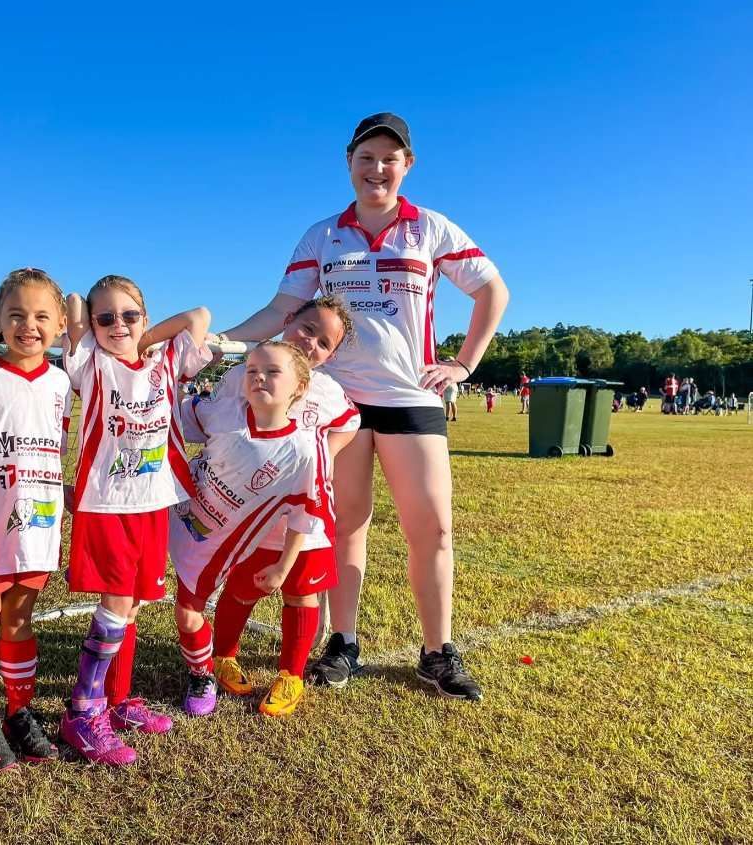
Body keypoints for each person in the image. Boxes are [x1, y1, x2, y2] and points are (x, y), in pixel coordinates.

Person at [218, 112, 508, 700]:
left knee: (433, 527)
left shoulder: (429, 227)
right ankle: (342, 643)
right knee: (346, 524)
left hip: (409, 397)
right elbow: (282, 311)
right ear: (349, 163)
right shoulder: (322, 235)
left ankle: (437, 652)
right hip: (335, 398)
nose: (377, 169)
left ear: (407, 165)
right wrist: (221, 343)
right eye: (366, 157)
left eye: (389, 158)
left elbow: (491, 290)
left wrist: (463, 364)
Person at [178, 300, 359, 718]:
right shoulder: (239, 377)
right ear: (287, 321)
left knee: (302, 593)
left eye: (324, 342)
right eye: (306, 327)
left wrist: (323, 456)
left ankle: (291, 673)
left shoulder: (328, 391)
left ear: (330, 356)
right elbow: (208, 422)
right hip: (246, 517)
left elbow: (349, 422)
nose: (310, 343)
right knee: (242, 589)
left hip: (304, 520)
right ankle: (223, 654)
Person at [60, 275, 211, 766]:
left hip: (152, 500)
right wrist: (92, 320)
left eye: (129, 315)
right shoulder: (92, 362)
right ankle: (83, 710)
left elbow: (199, 316)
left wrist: (145, 339)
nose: (117, 325)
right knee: (115, 603)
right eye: (105, 318)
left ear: (146, 319)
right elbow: (71, 305)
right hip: (107, 502)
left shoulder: (165, 360)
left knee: (134, 608)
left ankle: (120, 701)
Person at [0, 269, 69, 770]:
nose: (29, 325)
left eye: (42, 315)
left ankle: (19, 711)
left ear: (61, 323)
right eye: (16, 315)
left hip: (39, 520)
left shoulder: (62, 382)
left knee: (20, 619)